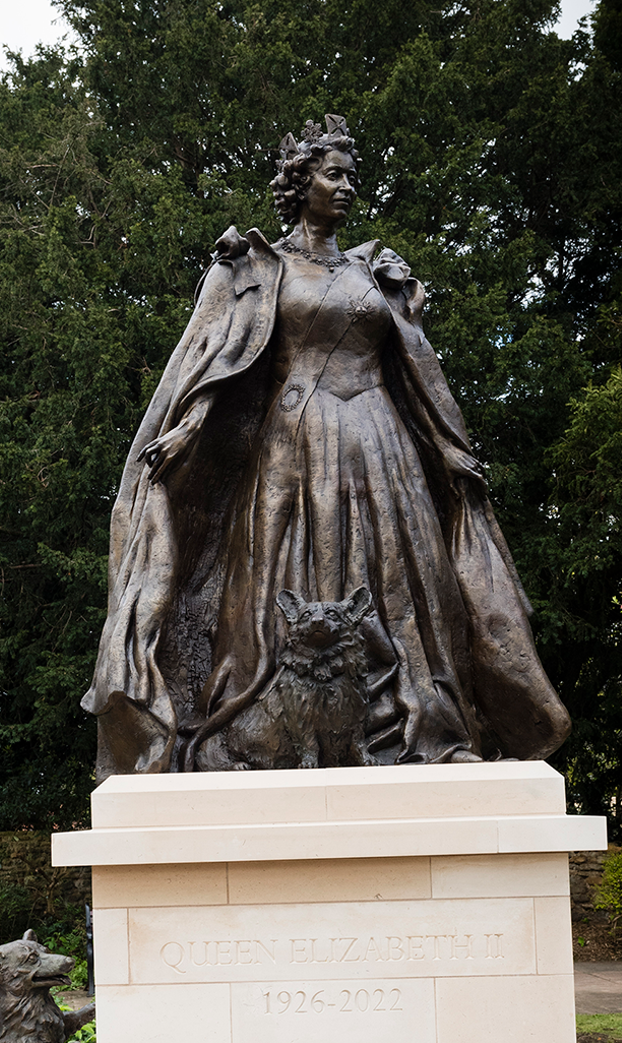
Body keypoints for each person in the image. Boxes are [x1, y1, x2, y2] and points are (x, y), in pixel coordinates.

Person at [82, 115, 570, 777]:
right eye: (332, 174)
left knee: (405, 585)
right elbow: (214, 360)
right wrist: (190, 426)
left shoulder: (377, 271)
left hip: (380, 444)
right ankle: (276, 736)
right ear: (300, 180)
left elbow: (412, 371)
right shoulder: (257, 264)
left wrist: (446, 446)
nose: (345, 188)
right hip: (289, 446)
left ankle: (404, 728)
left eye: (351, 177)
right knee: (277, 584)